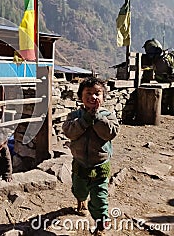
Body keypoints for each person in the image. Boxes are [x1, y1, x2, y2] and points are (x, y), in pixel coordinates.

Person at [62, 77, 120, 236]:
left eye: (97, 93)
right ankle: (81, 201)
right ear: (81, 96)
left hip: (100, 165)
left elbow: (110, 133)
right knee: (79, 189)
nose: (93, 97)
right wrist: (86, 119)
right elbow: (70, 133)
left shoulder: (108, 116)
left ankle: (101, 225)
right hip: (80, 163)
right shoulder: (74, 116)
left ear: (103, 98)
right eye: (88, 93)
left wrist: (97, 117)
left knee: (100, 197)